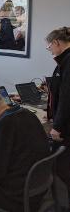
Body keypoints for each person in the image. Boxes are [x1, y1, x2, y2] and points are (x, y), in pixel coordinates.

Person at [45, 27, 70, 196]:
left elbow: (67, 98)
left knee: (63, 167)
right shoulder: (65, 61)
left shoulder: (68, 62)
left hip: (66, 128)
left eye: (49, 47)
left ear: (56, 42)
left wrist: (57, 126)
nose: (50, 51)